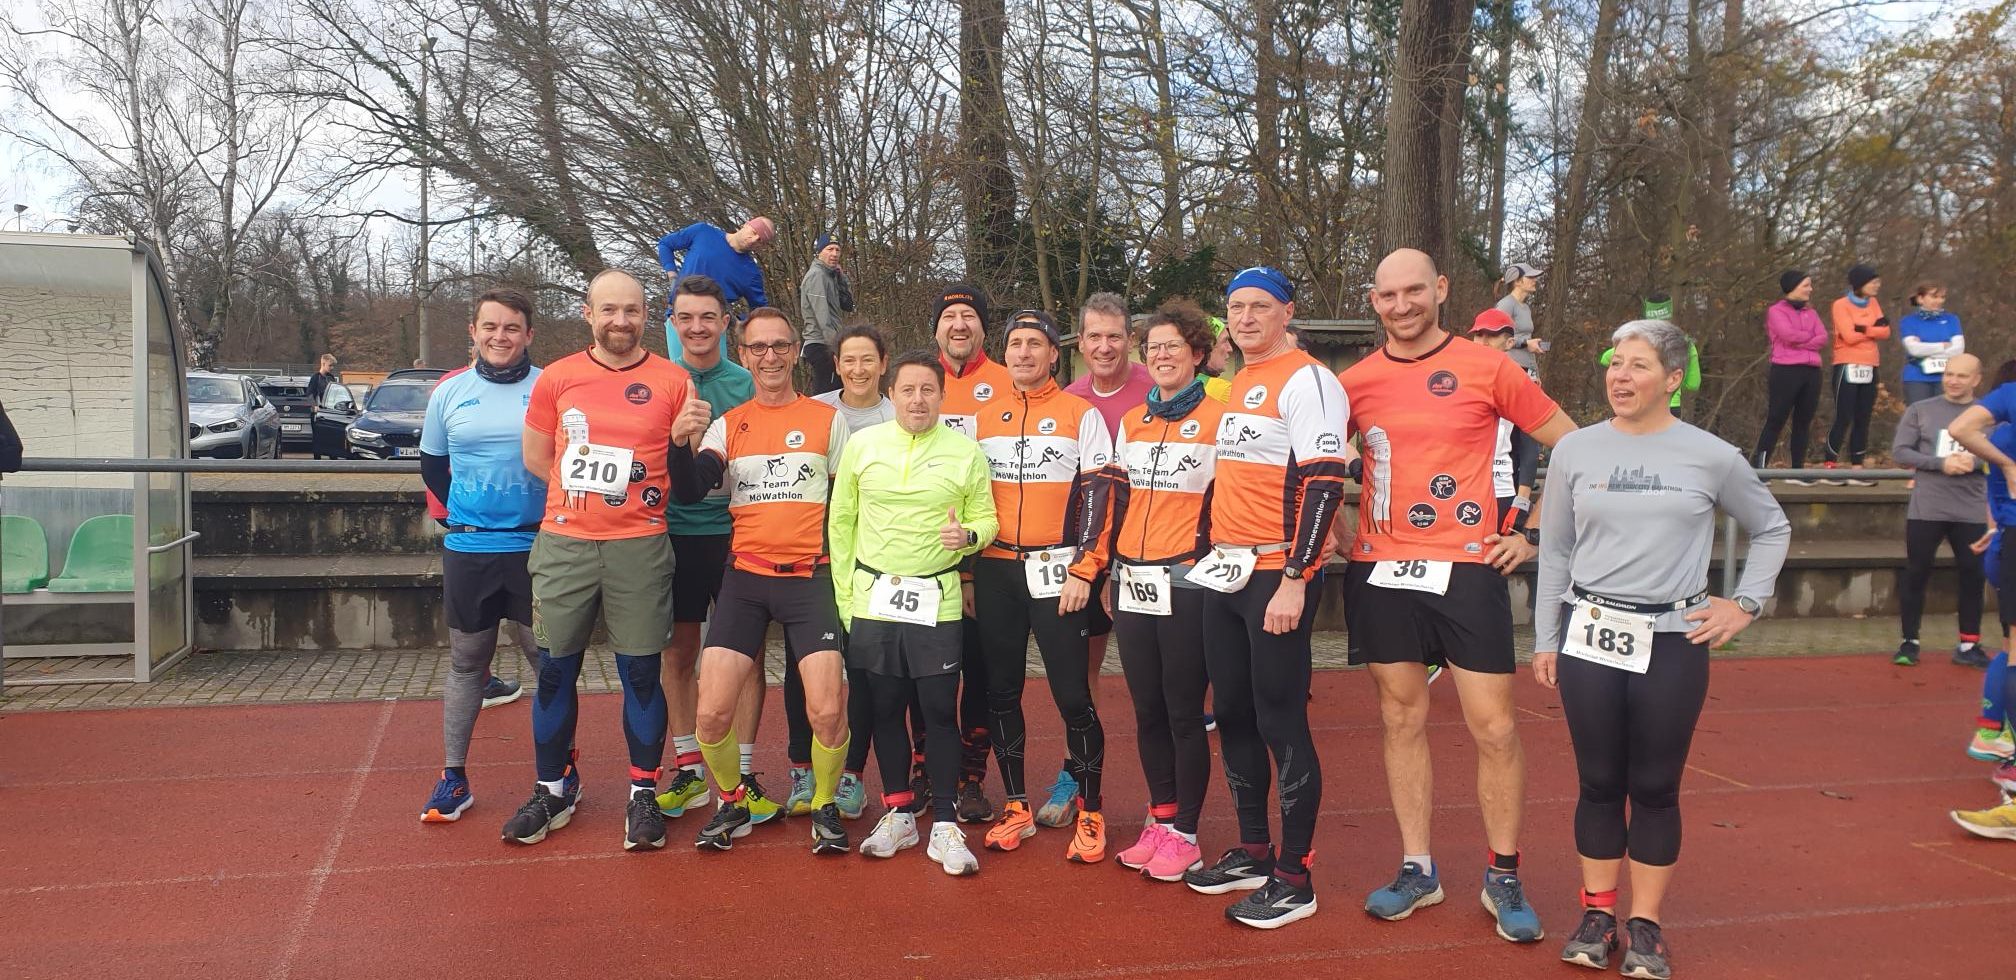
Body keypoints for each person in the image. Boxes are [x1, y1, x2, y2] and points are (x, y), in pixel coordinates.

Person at [1533, 318, 1791, 978]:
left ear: (1673, 379)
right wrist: (1544, 639)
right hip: (1590, 634)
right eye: (1615, 363)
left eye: (1639, 365)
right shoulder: (1575, 451)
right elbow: (1555, 550)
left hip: (1674, 640)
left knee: (1654, 786)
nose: (1620, 376)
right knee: (1598, 783)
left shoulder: (1712, 455)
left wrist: (1745, 603)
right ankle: (1597, 915)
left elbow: (1771, 527)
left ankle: (1644, 925)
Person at [1339, 249, 1576, 944]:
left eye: (1415, 290)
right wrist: (1338, 531)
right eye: (1388, 295)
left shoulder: (1489, 367)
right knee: (1400, 718)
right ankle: (1418, 869)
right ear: (1374, 301)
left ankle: (1503, 875)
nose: (1402, 305)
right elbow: (1309, 463)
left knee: (1494, 728)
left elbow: (1572, 446)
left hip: (1467, 569)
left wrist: (1531, 534)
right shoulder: (1352, 382)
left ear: (1440, 289)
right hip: (1382, 569)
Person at [1176, 265, 1348, 929]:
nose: (1246, 318)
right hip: (1227, 571)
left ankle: (1295, 878)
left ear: (1287, 312)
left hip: (1277, 575)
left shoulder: (1308, 379)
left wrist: (1297, 578)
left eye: (1259, 307)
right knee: (1234, 714)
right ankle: (1254, 851)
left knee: (1281, 720)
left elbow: (1325, 482)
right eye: (1236, 308)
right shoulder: (1240, 380)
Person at [502, 269, 689, 851]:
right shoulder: (558, 378)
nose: (620, 321)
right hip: (566, 544)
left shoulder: (673, 380)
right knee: (555, 670)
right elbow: (537, 457)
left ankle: (643, 792)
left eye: (631, 310)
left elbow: (684, 465)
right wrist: (583, 498)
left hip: (641, 545)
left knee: (641, 673)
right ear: (588, 313)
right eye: (609, 310)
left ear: (646, 315)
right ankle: (553, 789)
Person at [666, 307, 855, 854]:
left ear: (795, 351)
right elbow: (691, 490)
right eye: (757, 348)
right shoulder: (728, 424)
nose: (769, 356)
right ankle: (732, 801)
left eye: (779, 346)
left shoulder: (828, 421)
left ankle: (824, 803)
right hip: (745, 579)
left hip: (810, 579)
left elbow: (848, 504)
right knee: (710, 712)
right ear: (744, 356)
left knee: (826, 711)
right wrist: (678, 444)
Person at [829, 350, 999, 873]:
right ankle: (900, 813)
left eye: (928, 390)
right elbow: (841, 524)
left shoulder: (965, 452)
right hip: (873, 598)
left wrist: (969, 536)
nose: (918, 400)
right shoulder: (862, 445)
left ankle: (944, 824)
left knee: (939, 710)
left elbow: (987, 518)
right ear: (892, 394)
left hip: (936, 599)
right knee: (884, 710)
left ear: (942, 397)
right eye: (908, 390)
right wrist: (847, 601)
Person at [971, 309, 1115, 863]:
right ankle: (1016, 806)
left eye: (1035, 344)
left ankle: (1091, 808)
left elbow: (1102, 496)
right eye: (1015, 344)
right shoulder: (983, 418)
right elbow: (967, 498)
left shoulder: (1081, 414)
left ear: (1055, 354)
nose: (1024, 353)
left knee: (1073, 695)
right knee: (1001, 692)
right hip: (996, 570)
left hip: (1059, 571)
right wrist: (968, 571)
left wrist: (1085, 568)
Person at [417, 290, 548, 824]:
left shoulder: (550, 386)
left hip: (538, 548)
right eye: (490, 326)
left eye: (512, 327)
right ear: (473, 332)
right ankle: (454, 777)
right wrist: (465, 514)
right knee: (468, 662)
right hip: (470, 549)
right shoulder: (449, 392)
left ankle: (558, 773)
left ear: (528, 335)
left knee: (546, 661)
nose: (500, 336)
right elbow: (432, 465)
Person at [1107, 300, 1224, 882]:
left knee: (1183, 712)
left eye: (1173, 346)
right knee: (1147, 709)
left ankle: (1187, 835)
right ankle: (1162, 817)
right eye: (1153, 347)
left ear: (1197, 353)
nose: (1161, 355)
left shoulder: (1221, 417)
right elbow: (1118, 501)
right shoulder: (1133, 421)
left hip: (1187, 580)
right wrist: (1107, 569)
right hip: (1131, 578)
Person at [650, 276, 770, 824]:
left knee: (747, 658)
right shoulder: (656, 381)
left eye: (707, 317)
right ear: (673, 323)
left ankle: (740, 775)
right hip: (673, 534)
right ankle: (690, 770)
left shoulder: (747, 383)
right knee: (678, 654)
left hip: (737, 535)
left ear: (725, 323)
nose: (697, 327)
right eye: (686, 318)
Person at [1049, 290, 1152, 825]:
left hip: (1147, 558)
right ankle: (1077, 774)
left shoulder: (1159, 389)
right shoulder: (1070, 399)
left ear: (1131, 340)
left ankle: (1166, 802)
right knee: (1080, 677)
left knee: (1153, 685)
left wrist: (1125, 564)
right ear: (1080, 343)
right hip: (1088, 562)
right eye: (1095, 336)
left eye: (1115, 336)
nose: (1105, 347)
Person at [801, 324, 896, 819]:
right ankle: (806, 771)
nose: (858, 369)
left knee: (864, 673)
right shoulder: (815, 410)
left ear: (884, 363)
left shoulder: (899, 414)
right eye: (849, 360)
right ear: (836, 365)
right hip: (821, 559)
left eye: (868, 359)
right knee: (814, 671)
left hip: (880, 563)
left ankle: (853, 776)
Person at [931, 283, 1010, 822]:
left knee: (982, 675)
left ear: (983, 325)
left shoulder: (1008, 381)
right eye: (949, 316)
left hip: (989, 559)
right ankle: (925, 771)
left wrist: (973, 572)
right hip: (924, 560)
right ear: (936, 327)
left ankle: (971, 778)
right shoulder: (917, 383)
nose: (959, 324)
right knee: (927, 676)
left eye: (969, 315)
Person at [1891, 353, 1989, 667]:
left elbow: (2004, 453)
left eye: (1962, 375)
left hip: (1971, 510)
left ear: (1976, 379)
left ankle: (1968, 644)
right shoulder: (1920, 410)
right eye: (1949, 374)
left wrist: (1975, 462)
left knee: (1973, 575)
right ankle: (1909, 642)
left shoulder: (1989, 415)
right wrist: (1940, 464)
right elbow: (1900, 452)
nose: (1953, 381)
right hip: (1927, 509)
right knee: (1917, 573)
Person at [1466, 309, 1543, 533]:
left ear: (1509, 343)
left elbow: (1529, 446)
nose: (1483, 342)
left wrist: (1522, 501)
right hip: (1462, 488)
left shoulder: (1521, 381)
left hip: (1501, 489)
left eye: (1492, 335)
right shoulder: (1455, 379)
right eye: (1478, 335)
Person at [655, 217, 775, 358]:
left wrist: (740, 321)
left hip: (713, 327)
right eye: (754, 232)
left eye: (760, 241)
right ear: (746, 224)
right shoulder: (703, 232)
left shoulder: (751, 274)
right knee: (679, 370)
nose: (754, 240)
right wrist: (672, 274)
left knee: (715, 372)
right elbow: (665, 244)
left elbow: (760, 310)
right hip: (680, 318)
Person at [1751, 270, 1829, 483]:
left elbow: (1822, 337)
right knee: (1776, 419)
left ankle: (1797, 471)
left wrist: (1803, 340)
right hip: (1785, 370)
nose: (1810, 289)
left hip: (1812, 371)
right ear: (1793, 287)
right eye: (1806, 285)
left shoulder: (1811, 312)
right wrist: (1808, 338)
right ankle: (1760, 469)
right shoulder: (1776, 311)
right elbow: (1787, 335)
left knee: (1803, 421)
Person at [1823, 264, 1890, 484]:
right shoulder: (1840, 305)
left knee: (1864, 417)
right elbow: (1848, 336)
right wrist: (1871, 330)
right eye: (1874, 282)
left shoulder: (1874, 303)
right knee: (1844, 416)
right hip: (1847, 364)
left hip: (1870, 365)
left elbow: (1885, 331)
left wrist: (1861, 328)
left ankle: (1857, 467)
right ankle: (1830, 465)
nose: (1877, 286)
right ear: (1861, 284)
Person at [798, 234, 853, 395]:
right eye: (830, 249)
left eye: (837, 250)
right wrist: (836, 347)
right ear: (819, 252)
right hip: (821, 343)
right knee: (827, 395)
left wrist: (841, 278)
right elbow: (822, 316)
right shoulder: (817, 275)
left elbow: (848, 305)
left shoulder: (830, 275)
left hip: (829, 342)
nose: (834, 254)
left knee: (837, 391)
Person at [1899, 282, 1965, 406]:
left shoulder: (1952, 319)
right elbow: (1914, 349)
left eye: (1942, 297)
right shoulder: (1909, 321)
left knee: (1945, 414)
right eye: (1934, 297)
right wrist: (1942, 346)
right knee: (1919, 414)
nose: (1939, 301)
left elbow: (1958, 350)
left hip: (1946, 378)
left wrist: (1925, 348)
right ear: (1920, 298)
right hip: (1916, 377)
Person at [1493, 262, 1546, 379]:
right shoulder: (1506, 304)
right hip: (1511, 368)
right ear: (1517, 281)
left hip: (1528, 367)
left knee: (1535, 391)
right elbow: (1497, 339)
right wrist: (1525, 343)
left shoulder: (1526, 308)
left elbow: (1526, 339)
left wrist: (1535, 374)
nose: (1535, 280)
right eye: (1530, 277)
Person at [308, 354, 341, 460]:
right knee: (318, 438)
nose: (332, 368)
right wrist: (314, 406)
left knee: (332, 437)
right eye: (330, 365)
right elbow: (309, 394)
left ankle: (333, 459)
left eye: (333, 366)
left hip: (331, 412)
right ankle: (317, 461)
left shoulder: (331, 378)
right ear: (323, 364)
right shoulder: (315, 378)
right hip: (318, 414)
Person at [1203, 316, 1235, 403]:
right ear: (1207, 348)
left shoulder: (1177, 386)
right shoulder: (1223, 390)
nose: (1230, 349)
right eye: (1224, 341)